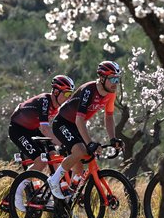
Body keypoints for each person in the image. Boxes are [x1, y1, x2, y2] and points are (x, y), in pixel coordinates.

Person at [47, 61, 125, 199]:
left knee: (82, 163)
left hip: (76, 125)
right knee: (80, 150)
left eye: (118, 79)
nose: (116, 83)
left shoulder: (111, 93)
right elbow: (79, 119)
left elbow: (109, 117)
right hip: (63, 123)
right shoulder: (89, 90)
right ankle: (53, 181)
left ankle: (69, 198)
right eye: (113, 78)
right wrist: (89, 143)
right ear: (102, 78)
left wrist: (113, 138)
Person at [9, 75, 75, 210]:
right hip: (18, 129)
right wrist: (62, 143)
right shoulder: (45, 101)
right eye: (67, 93)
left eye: (71, 94)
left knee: (54, 156)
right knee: (41, 161)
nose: (69, 97)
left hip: (33, 129)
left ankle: (60, 188)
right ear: (56, 92)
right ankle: (16, 192)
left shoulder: (59, 107)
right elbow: (45, 128)